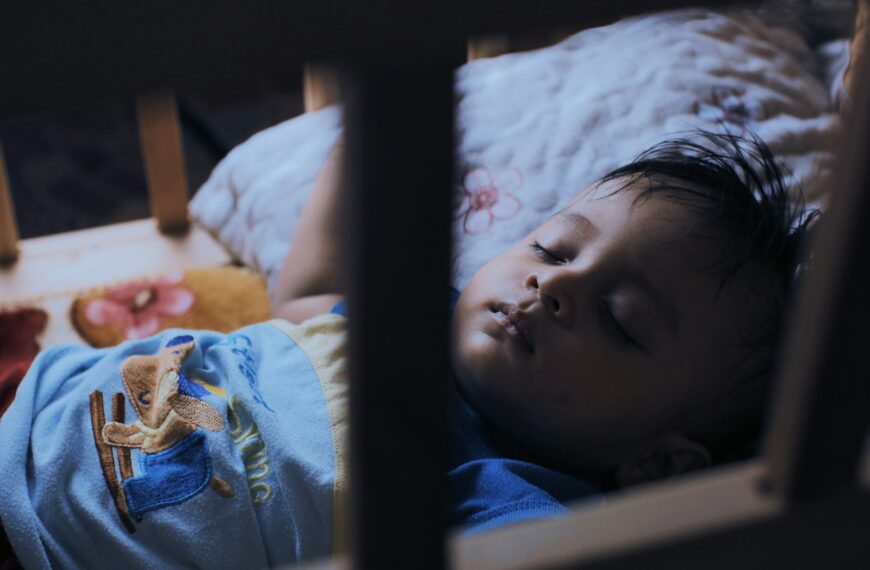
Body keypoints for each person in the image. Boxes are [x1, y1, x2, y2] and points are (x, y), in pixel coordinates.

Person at [0, 131, 812, 569]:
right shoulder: (404, 321)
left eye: (623, 321)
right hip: (28, 424)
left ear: (659, 463)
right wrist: (366, 132)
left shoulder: (516, 504)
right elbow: (307, 291)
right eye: (555, 249)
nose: (556, 288)